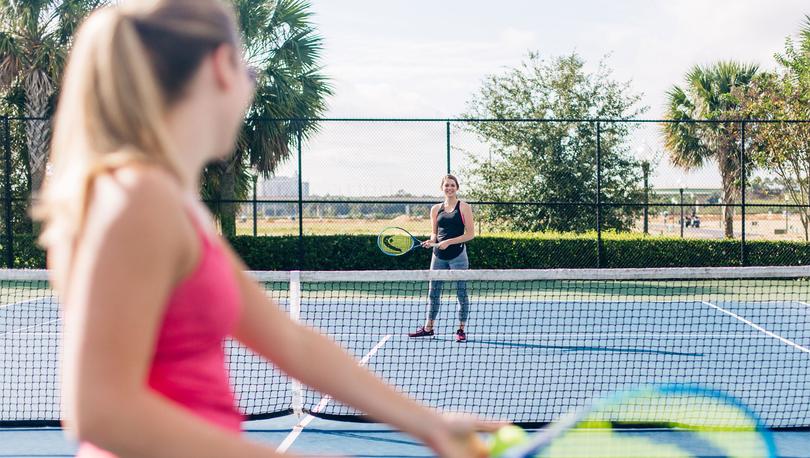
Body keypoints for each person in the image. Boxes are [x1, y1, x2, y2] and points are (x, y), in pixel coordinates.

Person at [34, 1, 495, 457]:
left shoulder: (173, 205)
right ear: (220, 67)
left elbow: (291, 340)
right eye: (249, 73)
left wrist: (430, 423)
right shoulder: (138, 200)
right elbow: (101, 410)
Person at [409, 174, 475, 343]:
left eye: (452, 185)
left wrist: (449, 242)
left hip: (458, 256)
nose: (449, 188)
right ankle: (428, 328)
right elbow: (434, 233)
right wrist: (432, 241)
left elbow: (470, 234)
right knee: (433, 293)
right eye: (446, 185)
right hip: (438, 256)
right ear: (442, 188)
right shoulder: (435, 209)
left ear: (457, 188)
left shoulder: (464, 207)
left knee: (461, 293)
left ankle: (461, 330)